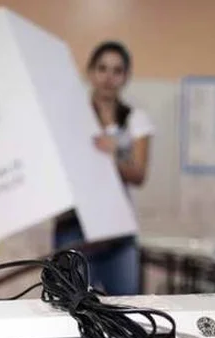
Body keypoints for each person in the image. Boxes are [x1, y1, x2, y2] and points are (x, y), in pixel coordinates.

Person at [53, 41, 153, 296]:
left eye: (117, 71)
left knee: (127, 309)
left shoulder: (135, 119)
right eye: (102, 69)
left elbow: (139, 174)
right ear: (90, 72)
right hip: (73, 227)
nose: (109, 77)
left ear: (126, 76)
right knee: (71, 308)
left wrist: (114, 153)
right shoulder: (68, 117)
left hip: (117, 229)